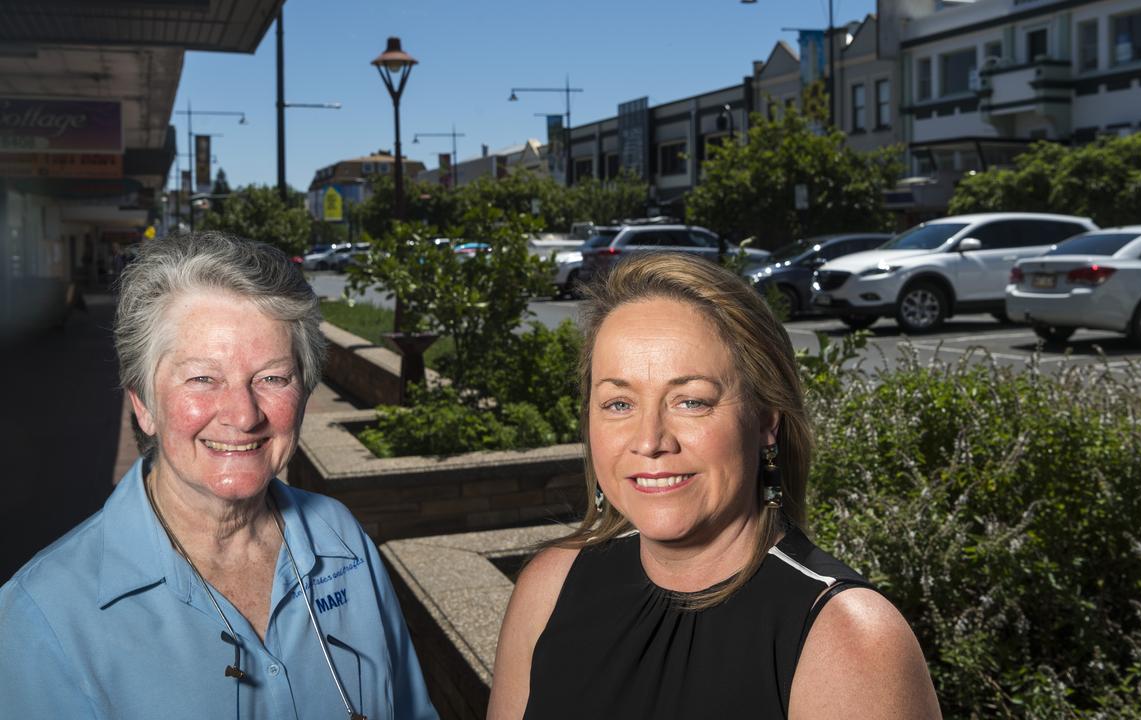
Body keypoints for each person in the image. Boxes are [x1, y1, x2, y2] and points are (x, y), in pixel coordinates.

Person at [0, 231, 439, 719]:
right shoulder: (42, 615)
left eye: (272, 377)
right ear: (143, 403)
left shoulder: (342, 540)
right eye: (202, 378)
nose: (243, 414)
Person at [489, 254, 942, 719]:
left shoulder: (849, 640)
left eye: (690, 401)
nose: (650, 441)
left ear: (766, 420)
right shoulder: (549, 587)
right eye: (619, 403)